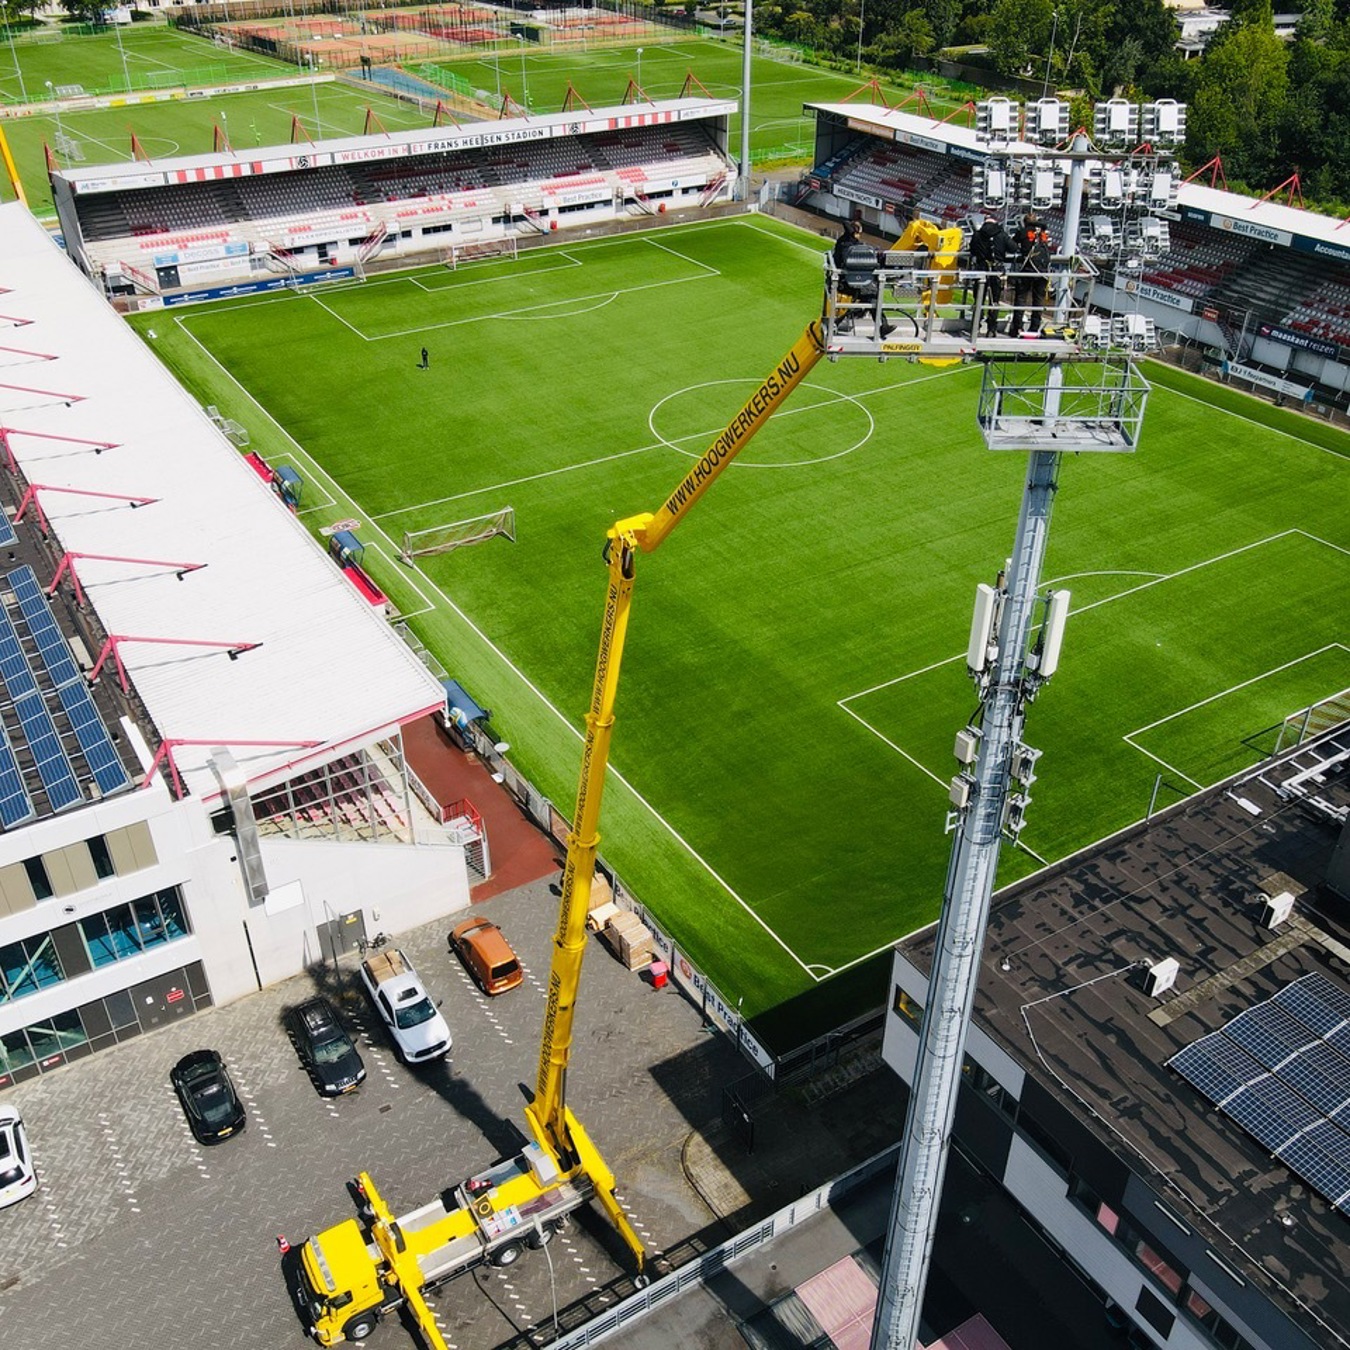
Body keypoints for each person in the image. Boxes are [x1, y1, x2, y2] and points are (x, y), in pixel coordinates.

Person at [830, 218, 894, 338]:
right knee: (872, 297)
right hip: (846, 282)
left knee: (869, 298)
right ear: (856, 232)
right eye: (859, 233)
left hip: (850, 280)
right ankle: (882, 325)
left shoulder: (845, 242)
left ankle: (840, 321)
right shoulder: (848, 245)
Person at [1008, 211, 1052, 337]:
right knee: (1038, 300)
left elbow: (1012, 245)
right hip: (1042, 271)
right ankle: (1034, 328)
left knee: (1021, 298)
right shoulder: (1043, 233)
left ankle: (1017, 327)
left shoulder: (1023, 231)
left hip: (1028, 268)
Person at [969, 216, 1013, 337]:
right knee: (994, 300)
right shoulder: (1001, 234)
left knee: (979, 299)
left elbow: (972, 250)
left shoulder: (977, 234)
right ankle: (991, 329)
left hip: (981, 268)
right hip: (996, 270)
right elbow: (1013, 248)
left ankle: (975, 326)